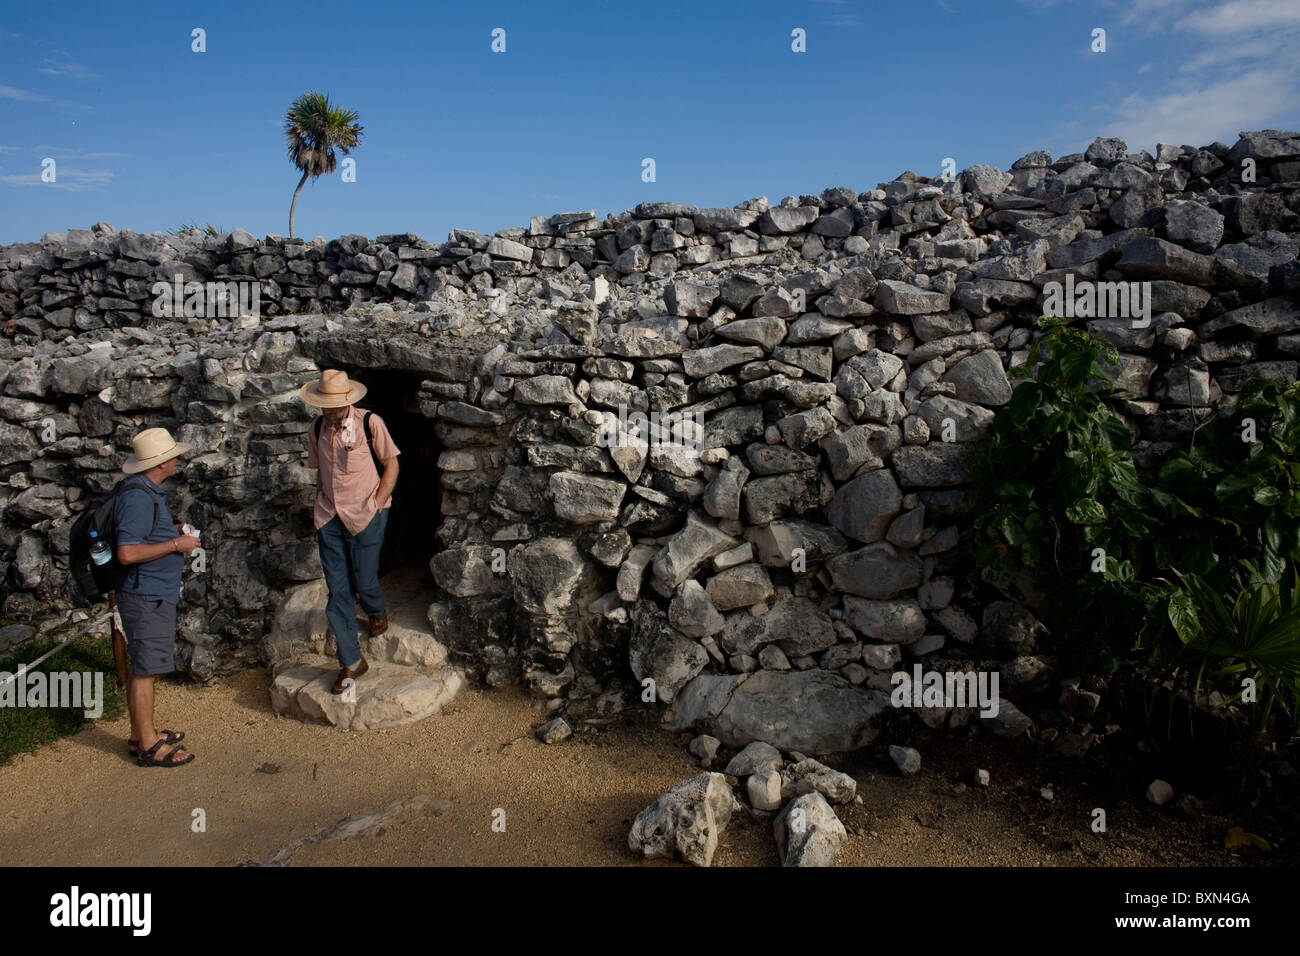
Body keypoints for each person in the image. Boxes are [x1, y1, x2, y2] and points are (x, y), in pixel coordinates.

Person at [300, 369, 401, 694]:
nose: (328, 411)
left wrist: (377, 503)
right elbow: (321, 472)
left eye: (333, 405)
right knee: (338, 593)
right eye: (323, 405)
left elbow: (392, 464)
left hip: (366, 513)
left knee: (366, 580)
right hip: (330, 517)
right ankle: (351, 661)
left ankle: (375, 610)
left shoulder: (371, 423)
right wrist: (320, 508)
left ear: (346, 401)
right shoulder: (315, 428)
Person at [114, 427, 201, 768]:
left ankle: (142, 734)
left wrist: (171, 532)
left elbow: (140, 537)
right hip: (145, 594)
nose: (177, 458)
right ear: (161, 462)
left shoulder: (145, 492)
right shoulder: (138, 497)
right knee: (145, 669)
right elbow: (127, 552)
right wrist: (176, 544)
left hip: (149, 593)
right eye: (173, 454)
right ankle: (149, 745)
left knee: (145, 666)